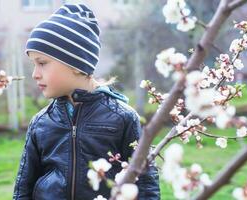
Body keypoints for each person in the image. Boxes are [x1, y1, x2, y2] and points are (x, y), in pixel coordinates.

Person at [13, 3, 160, 200]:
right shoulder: (41, 123)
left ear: (75, 64)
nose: (35, 74)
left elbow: (145, 183)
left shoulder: (123, 118)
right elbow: (23, 187)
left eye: (42, 63)